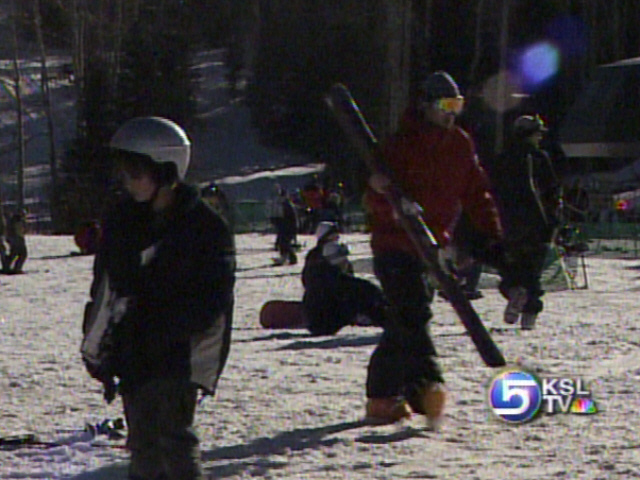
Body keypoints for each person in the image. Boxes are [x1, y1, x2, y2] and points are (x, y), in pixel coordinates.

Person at [81, 116, 236, 480]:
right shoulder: (122, 220)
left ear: (167, 170)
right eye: (124, 173)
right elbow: (106, 290)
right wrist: (98, 348)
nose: (128, 182)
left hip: (177, 357)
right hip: (134, 355)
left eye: (136, 173)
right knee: (143, 447)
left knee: (172, 443)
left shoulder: (203, 228)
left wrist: (167, 333)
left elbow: (213, 302)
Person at [363, 71, 504, 428]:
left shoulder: (460, 144)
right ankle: (425, 388)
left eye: (457, 105)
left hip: (430, 245)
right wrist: (381, 195)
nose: (451, 113)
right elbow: (373, 199)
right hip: (394, 243)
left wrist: (491, 234)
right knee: (413, 313)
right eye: (445, 105)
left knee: (402, 320)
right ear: (425, 105)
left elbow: (477, 192)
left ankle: (382, 398)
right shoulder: (399, 145)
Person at [492, 114, 561, 330]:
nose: (540, 137)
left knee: (509, 267)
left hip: (507, 222)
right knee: (532, 272)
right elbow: (551, 192)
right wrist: (554, 220)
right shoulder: (539, 158)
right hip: (537, 224)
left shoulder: (503, 158)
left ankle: (513, 290)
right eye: (538, 133)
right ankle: (529, 316)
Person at [301, 221, 387, 335]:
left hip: (315, 318)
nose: (337, 237)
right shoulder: (323, 262)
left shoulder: (320, 262)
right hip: (327, 321)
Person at [269, 185, 298, 265]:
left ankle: (289, 258)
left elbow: (289, 218)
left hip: (288, 227)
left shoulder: (287, 205)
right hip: (285, 227)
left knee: (285, 243)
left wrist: (280, 221)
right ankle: (286, 257)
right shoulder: (284, 204)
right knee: (283, 243)